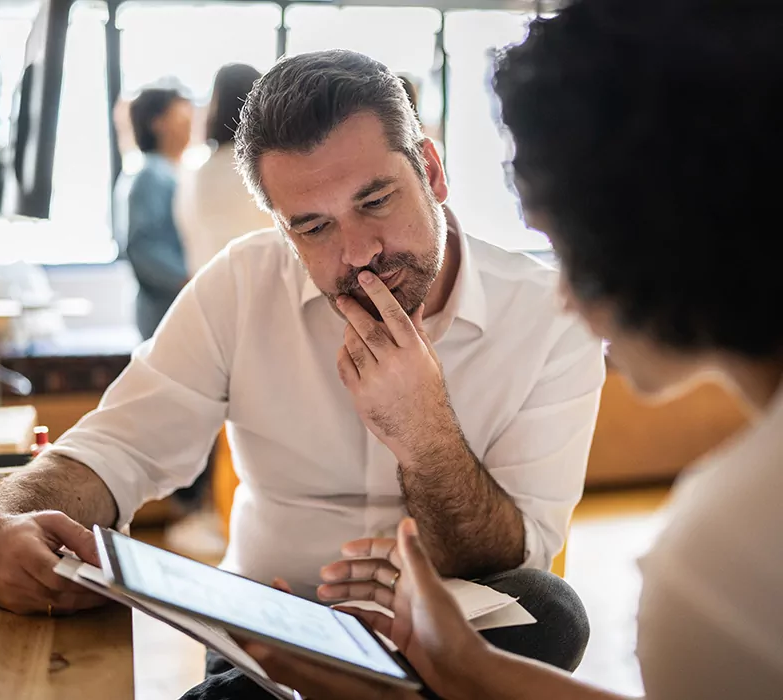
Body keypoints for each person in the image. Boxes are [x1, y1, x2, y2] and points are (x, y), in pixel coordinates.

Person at [0, 49, 604, 698]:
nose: (359, 254)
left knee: (549, 610)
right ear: (282, 226)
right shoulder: (242, 284)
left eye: (376, 200)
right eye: (313, 226)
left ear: (431, 169)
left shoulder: (551, 317)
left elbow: (515, 560)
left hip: (446, 637)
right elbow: (114, 449)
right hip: (271, 635)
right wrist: (5, 521)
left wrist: (424, 434)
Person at [236, 2, 783, 699]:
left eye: (567, 246)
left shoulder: (719, 569)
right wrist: (469, 670)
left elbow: (526, 552)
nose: (567, 299)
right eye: (312, 225)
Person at [174, 64, 273, 275]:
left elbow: (188, 234)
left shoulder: (194, 169)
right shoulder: (265, 167)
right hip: (262, 282)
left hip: (206, 284)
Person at [123, 85, 192, 341]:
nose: (189, 119)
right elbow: (143, 247)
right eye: (180, 112)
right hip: (164, 309)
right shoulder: (151, 176)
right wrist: (188, 279)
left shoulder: (171, 172)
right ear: (158, 123)